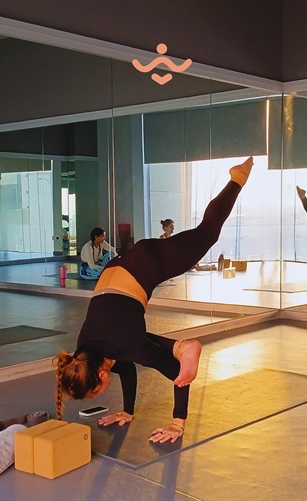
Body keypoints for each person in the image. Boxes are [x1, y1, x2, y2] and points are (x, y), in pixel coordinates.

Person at [54, 156, 254, 443]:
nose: (97, 396)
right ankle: (179, 346)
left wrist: (177, 424)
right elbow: (125, 365)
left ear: (101, 376)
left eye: (95, 392)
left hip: (147, 265)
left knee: (207, 233)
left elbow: (179, 375)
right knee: (135, 343)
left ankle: (237, 179)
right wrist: (127, 412)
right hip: (124, 267)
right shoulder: (86, 350)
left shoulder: (123, 345)